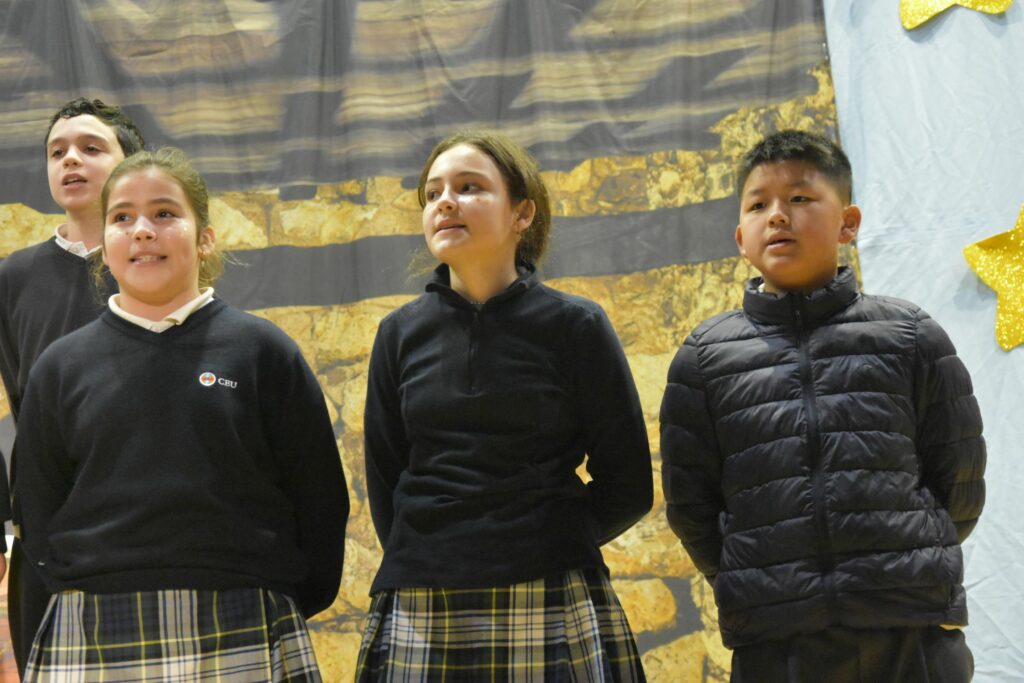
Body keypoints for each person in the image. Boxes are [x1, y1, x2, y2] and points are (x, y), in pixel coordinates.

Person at [659, 129, 986, 682]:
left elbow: (959, 480)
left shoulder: (909, 335)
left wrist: (901, 562)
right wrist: (765, 575)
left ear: (848, 223)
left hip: (909, 628)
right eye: (759, 205)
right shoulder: (703, 360)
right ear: (742, 237)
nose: (778, 216)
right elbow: (692, 505)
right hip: (777, 640)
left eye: (801, 198)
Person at [13, 148, 349, 681]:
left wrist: (277, 597)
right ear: (106, 242)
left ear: (205, 237)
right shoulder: (60, 366)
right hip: (94, 624)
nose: (143, 230)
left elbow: (319, 497)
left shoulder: (263, 351)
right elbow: (37, 505)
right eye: (122, 217)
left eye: (165, 213)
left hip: (245, 615)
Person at [357, 131, 653, 681]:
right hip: (422, 601)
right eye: (433, 192)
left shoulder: (575, 326)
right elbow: (386, 484)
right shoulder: (396, 335)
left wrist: (548, 533)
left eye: (470, 188)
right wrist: (437, 545)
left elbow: (629, 484)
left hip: (551, 590)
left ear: (522, 213)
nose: (445, 201)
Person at [0, 96, 145, 675]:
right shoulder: (14, 276)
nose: (71, 161)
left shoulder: (155, 259)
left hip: (147, 517)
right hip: (49, 522)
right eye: (57, 151)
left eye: (91, 148)